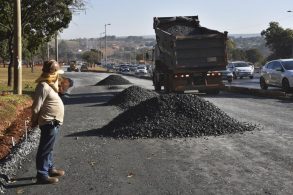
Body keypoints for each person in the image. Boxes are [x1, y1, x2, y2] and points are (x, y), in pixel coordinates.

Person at [31, 60, 66, 184]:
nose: (58, 75)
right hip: (48, 121)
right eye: (57, 72)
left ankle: (50, 169)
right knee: (45, 149)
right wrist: (33, 121)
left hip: (54, 121)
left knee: (49, 148)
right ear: (52, 73)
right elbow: (36, 107)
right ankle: (42, 174)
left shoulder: (50, 84)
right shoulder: (43, 86)